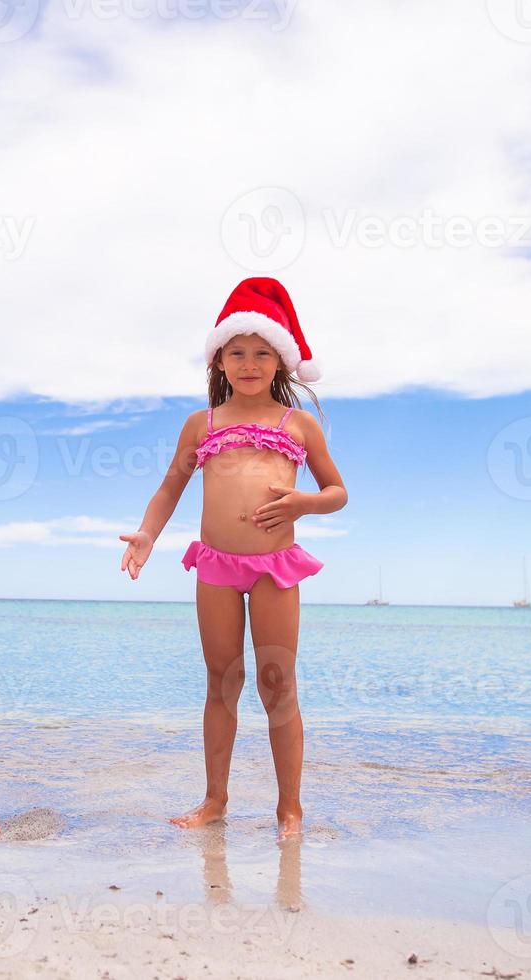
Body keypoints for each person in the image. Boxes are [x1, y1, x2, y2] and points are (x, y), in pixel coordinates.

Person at [119, 278, 347, 840]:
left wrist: (304, 503)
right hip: (216, 567)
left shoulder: (298, 424)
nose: (249, 363)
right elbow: (171, 487)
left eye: (261, 352)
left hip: (274, 567)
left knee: (277, 682)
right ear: (219, 358)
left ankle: (288, 809)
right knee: (222, 681)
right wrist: (148, 534)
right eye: (237, 352)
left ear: (280, 362)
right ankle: (215, 800)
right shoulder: (203, 424)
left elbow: (337, 491)